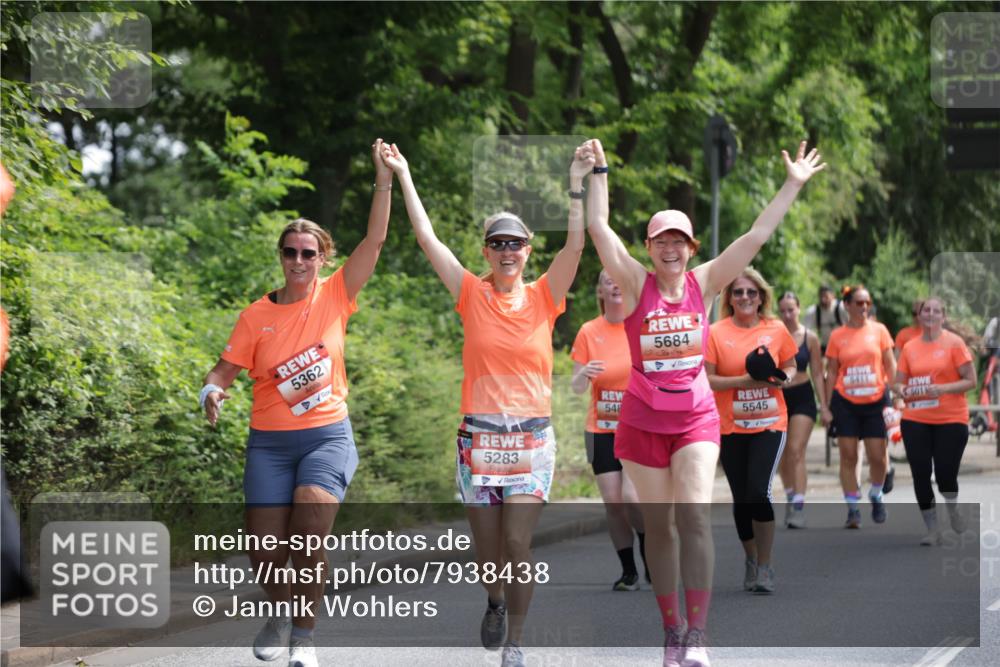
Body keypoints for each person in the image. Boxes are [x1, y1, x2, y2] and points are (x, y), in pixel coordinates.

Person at [586, 139, 825, 667]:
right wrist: (596, 172)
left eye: (678, 241)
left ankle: (698, 634)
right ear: (649, 247)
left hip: (695, 417)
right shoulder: (633, 281)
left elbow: (756, 236)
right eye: (660, 241)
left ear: (691, 248)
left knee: (692, 516)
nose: (669, 249)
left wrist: (793, 184)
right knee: (661, 526)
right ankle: (671, 630)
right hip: (643, 421)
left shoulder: (705, 281)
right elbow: (600, 230)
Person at [381, 140, 587, 667]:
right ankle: (494, 600)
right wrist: (403, 174)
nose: (507, 250)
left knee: (518, 546)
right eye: (497, 242)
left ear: (528, 249)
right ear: (486, 251)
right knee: (488, 552)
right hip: (479, 437)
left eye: (515, 243)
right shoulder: (470, 292)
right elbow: (426, 238)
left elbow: (577, 245)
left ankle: (515, 641)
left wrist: (578, 183)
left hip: (531, 438)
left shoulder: (545, 296)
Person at [200, 140, 392, 667]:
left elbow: (375, 239)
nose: (300, 261)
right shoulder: (254, 316)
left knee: (309, 531)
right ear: (281, 257)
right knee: (265, 555)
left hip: (327, 436)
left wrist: (385, 178)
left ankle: (304, 637)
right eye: (291, 252)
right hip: (269, 444)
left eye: (309, 253)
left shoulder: (335, 295)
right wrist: (212, 389)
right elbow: (225, 368)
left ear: (322, 258)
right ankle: (279, 610)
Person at [706, 269, 797, 594]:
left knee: (759, 491)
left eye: (751, 293)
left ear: (761, 297)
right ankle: (750, 557)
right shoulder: (716, 332)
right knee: (742, 497)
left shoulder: (775, 328)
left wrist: (782, 377)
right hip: (730, 426)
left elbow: (790, 364)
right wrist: (744, 381)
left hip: (770, 423)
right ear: (729, 298)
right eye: (738, 292)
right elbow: (708, 379)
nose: (745, 298)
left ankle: (766, 565)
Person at [571, 271, 648, 591]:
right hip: (600, 429)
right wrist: (584, 374)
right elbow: (576, 387)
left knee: (632, 497)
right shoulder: (589, 332)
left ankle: (651, 554)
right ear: (600, 290)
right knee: (613, 502)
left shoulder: (640, 326)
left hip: (637, 427)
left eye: (620, 279)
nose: (615, 284)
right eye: (607, 280)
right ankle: (628, 571)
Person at [893, 297, 977, 545]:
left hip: (951, 418)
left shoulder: (954, 343)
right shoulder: (910, 347)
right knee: (920, 473)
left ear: (943, 316)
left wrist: (943, 389)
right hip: (915, 417)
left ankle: (953, 510)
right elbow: (898, 381)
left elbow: (970, 380)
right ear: (919, 315)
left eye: (935, 311)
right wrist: (901, 390)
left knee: (945, 476)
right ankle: (932, 529)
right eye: (925, 310)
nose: (930, 314)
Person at [824, 285, 897, 529]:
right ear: (847, 305)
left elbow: (890, 365)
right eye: (859, 303)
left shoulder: (879, 331)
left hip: (876, 400)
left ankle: (876, 494)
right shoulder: (837, 335)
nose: (864, 307)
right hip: (845, 402)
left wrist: (898, 396)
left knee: (878, 456)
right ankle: (853, 509)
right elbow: (832, 371)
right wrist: (826, 406)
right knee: (848, 456)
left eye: (867, 303)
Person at [776, 291, 828, 528]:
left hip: (803, 396)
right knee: (782, 456)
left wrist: (824, 405)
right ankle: (789, 494)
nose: (787, 314)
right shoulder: (772, 335)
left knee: (796, 450)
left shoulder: (810, 338)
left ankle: (798, 507)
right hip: (778, 398)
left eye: (791, 309)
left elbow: (817, 372)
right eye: (783, 310)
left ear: (798, 309)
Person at [801, 285, 847, 353]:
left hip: (844, 346)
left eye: (826, 297)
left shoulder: (843, 308)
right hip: (826, 347)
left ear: (833, 296)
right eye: (821, 297)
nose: (823, 300)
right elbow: (803, 332)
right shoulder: (813, 312)